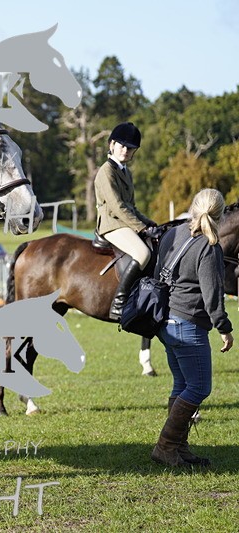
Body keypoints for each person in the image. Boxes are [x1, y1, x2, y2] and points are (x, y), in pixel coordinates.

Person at [151, 188, 233, 467]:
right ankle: (165, 446)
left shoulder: (173, 234)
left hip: (166, 322)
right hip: (188, 324)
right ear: (220, 215)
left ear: (193, 208)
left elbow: (158, 273)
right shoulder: (209, 247)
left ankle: (179, 447)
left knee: (183, 383)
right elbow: (213, 296)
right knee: (199, 387)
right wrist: (224, 327)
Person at [94, 122, 156, 320]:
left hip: (123, 221)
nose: (126, 150)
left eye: (131, 148)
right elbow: (117, 206)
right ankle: (119, 302)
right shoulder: (106, 171)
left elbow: (132, 207)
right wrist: (142, 228)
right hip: (111, 223)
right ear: (112, 145)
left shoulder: (126, 172)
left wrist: (152, 224)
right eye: (122, 146)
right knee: (142, 252)